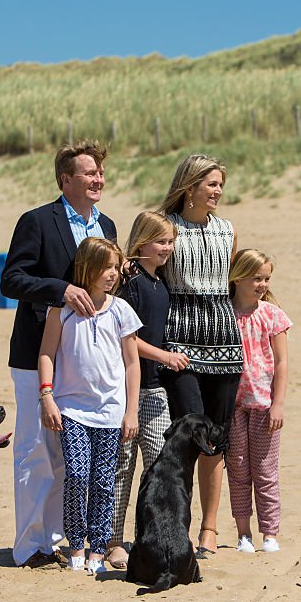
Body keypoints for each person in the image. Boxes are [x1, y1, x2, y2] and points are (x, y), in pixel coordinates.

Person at [0, 140, 117, 568]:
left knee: (70, 456)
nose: (98, 179)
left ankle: (55, 540)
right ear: (65, 179)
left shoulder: (107, 226)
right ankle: (30, 546)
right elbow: (11, 279)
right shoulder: (36, 221)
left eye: (101, 172)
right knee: (36, 449)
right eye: (89, 173)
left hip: (84, 361)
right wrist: (60, 289)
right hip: (37, 355)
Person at [38, 237, 142, 575]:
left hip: (111, 412)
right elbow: (46, 354)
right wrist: (47, 396)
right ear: (87, 267)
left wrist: (131, 411)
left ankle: (99, 548)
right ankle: (76, 545)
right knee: (78, 475)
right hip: (71, 410)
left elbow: (131, 363)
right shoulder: (62, 310)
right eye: (105, 267)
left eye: (115, 267)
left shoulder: (121, 310)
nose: (112, 274)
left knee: (103, 480)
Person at [157, 154, 243, 558]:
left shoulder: (228, 230)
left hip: (225, 343)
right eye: (211, 184)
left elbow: (234, 284)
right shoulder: (166, 227)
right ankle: (178, 524)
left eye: (220, 184)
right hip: (180, 346)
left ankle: (209, 528)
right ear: (189, 186)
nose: (218, 191)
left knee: (216, 439)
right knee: (187, 437)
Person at [105, 212, 190, 569]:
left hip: (155, 391)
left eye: (170, 242)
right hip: (127, 390)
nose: (167, 248)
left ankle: (150, 536)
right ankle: (113, 542)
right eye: (161, 242)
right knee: (122, 467)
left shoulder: (160, 282)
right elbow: (129, 340)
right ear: (141, 243)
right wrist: (165, 356)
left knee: (159, 466)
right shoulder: (133, 285)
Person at [225, 249, 291, 554]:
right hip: (233, 408)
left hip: (265, 406)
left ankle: (270, 532)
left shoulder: (273, 315)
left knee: (265, 471)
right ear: (237, 278)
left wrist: (278, 404)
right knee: (238, 471)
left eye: (266, 278)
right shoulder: (223, 313)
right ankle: (243, 534)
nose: (262, 284)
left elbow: (282, 362)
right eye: (255, 278)